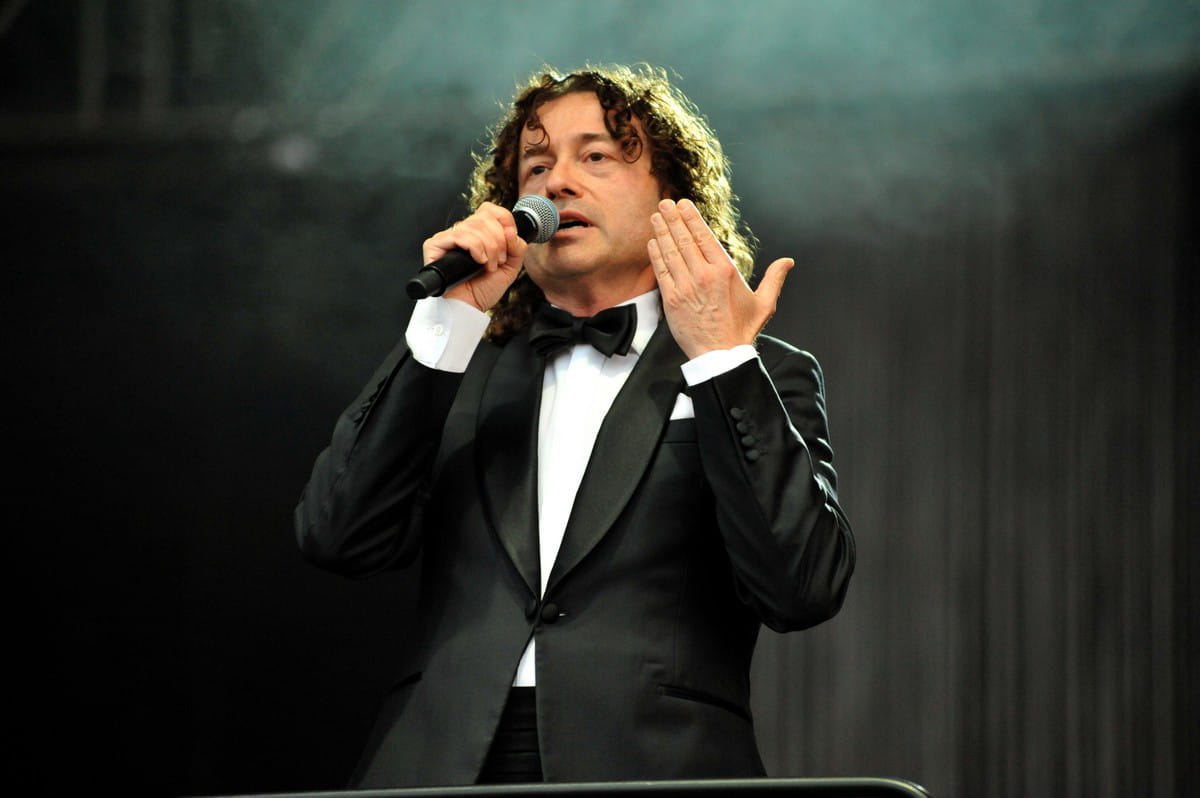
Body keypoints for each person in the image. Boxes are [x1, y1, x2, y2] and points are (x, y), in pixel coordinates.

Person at [295, 64, 855, 787]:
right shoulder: (457, 365)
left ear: (674, 199)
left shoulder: (759, 372)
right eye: (536, 166)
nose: (557, 182)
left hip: (652, 766)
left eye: (596, 157)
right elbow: (338, 535)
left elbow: (801, 587)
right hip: (440, 768)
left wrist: (720, 359)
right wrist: (448, 320)